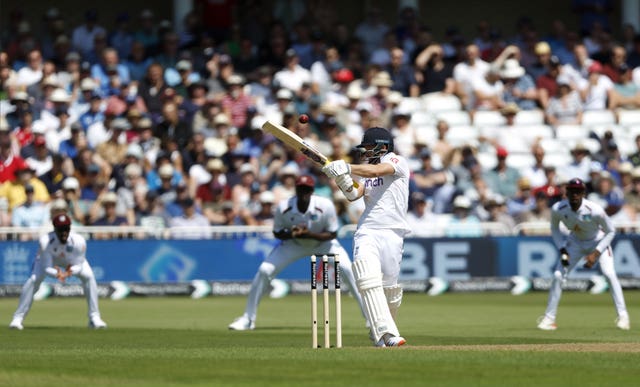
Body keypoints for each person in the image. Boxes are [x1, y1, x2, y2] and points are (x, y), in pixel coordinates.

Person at [228, 175, 366, 331]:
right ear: (296, 190)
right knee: (264, 270)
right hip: (294, 244)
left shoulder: (325, 205)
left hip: (324, 243)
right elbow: (278, 233)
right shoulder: (284, 207)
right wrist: (293, 234)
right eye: (301, 189)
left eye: (307, 189)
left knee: (348, 269)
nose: (304, 192)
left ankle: (369, 318)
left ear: (312, 190)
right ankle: (248, 318)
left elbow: (332, 234)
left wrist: (310, 234)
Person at [321, 127, 409, 347]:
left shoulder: (397, 161)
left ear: (382, 146)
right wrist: (341, 178)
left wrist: (347, 167)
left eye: (369, 148)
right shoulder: (368, 169)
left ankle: (381, 331)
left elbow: (378, 172)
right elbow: (353, 194)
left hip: (393, 232)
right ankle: (387, 334)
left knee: (390, 288)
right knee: (368, 279)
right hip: (367, 230)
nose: (366, 152)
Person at [537, 178, 629, 331]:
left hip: (597, 241)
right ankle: (549, 319)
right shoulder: (558, 209)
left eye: (578, 191)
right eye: (572, 191)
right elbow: (554, 228)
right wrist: (562, 248)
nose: (575, 195)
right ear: (567, 192)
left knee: (609, 274)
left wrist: (596, 252)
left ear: (583, 193)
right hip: (575, 243)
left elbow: (611, 231)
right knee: (558, 275)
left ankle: (623, 316)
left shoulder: (595, 210)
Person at [9, 213, 107, 330]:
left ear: (70, 228)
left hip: (72, 262)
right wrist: (57, 273)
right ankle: (17, 318)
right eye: (60, 229)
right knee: (33, 280)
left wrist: (69, 271)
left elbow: (79, 265)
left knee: (89, 277)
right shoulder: (45, 242)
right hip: (49, 262)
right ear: (55, 229)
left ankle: (94, 318)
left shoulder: (79, 241)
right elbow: (46, 267)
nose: (63, 232)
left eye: (66, 229)